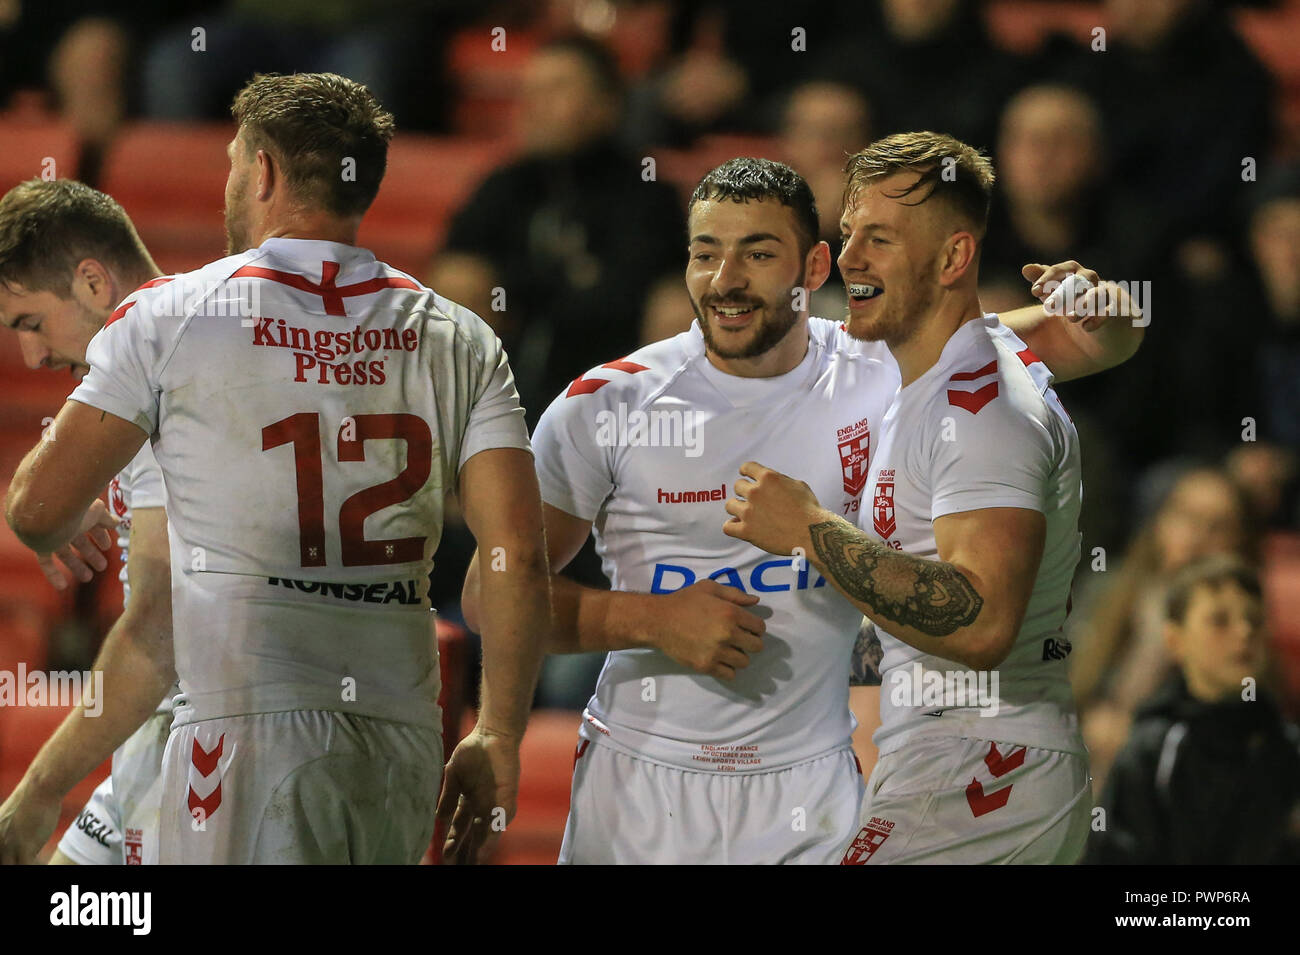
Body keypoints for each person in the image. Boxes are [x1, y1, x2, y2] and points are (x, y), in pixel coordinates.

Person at [463, 156, 1141, 864]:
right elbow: (490, 592)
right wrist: (647, 618)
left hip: (811, 787)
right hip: (639, 779)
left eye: (757, 252)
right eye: (706, 253)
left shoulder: (887, 362)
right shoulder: (606, 404)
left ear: (816, 267)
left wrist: (1108, 306)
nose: (725, 279)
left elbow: (1093, 339)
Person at [4, 72, 551, 865]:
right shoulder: (459, 336)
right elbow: (519, 557)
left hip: (244, 725)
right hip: (401, 731)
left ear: (261, 172)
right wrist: (497, 730)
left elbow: (37, 511)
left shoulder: (171, 317)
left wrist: (60, 516)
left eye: (232, 164)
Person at [724, 133, 1143, 863]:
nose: (848, 257)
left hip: (986, 760)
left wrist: (809, 530)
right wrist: (1117, 312)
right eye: (850, 232)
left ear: (953, 258)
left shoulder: (980, 410)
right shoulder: (949, 359)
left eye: (879, 238)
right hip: (961, 754)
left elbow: (982, 620)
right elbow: (1098, 337)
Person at [0, 178, 176, 866]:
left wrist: (41, 787)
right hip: (162, 734)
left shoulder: (162, 366)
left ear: (95, 284)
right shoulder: (172, 345)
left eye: (31, 324)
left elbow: (162, 632)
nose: (32, 359)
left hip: (213, 740)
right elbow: (37, 508)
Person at [1085, 555, 1300, 864]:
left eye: (1254, 620)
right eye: (1219, 620)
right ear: (1175, 640)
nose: (1244, 632)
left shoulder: (1284, 746)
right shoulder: (1153, 748)